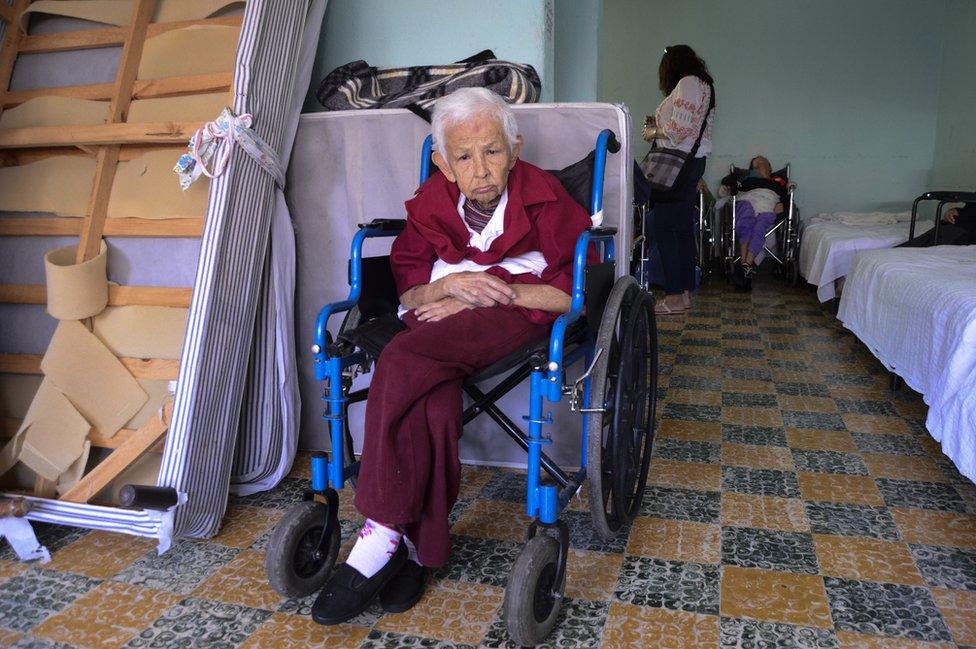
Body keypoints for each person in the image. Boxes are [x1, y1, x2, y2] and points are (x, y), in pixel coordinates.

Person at [311, 88, 594, 625]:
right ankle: (423, 547)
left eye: (492, 151)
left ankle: (379, 534)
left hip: (512, 316)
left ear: (514, 148)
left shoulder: (549, 198)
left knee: (399, 360)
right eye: (464, 157)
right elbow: (409, 292)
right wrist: (453, 286)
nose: (481, 169)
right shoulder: (431, 204)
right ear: (443, 163)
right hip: (438, 319)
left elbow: (573, 293)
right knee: (432, 398)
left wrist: (496, 289)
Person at [642, 44, 715, 315]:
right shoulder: (704, 85)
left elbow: (678, 131)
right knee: (682, 229)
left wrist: (652, 132)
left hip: (677, 163)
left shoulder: (687, 83)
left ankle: (673, 296)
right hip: (691, 164)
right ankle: (683, 294)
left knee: (664, 228)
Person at [722, 155, 794, 280]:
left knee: (759, 226)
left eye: (760, 162)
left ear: (769, 167)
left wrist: (783, 208)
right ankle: (744, 265)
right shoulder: (746, 179)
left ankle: (746, 264)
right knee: (745, 218)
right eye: (754, 165)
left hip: (768, 206)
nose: (757, 166)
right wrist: (734, 178)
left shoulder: (779, 181)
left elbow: (788, 201)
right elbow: (727, 185)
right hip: (747, 201)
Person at [899, 202, 976, 247]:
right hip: (951, 226)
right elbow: (970, 209)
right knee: (905, 248)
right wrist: (955, 211)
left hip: (965, 232)